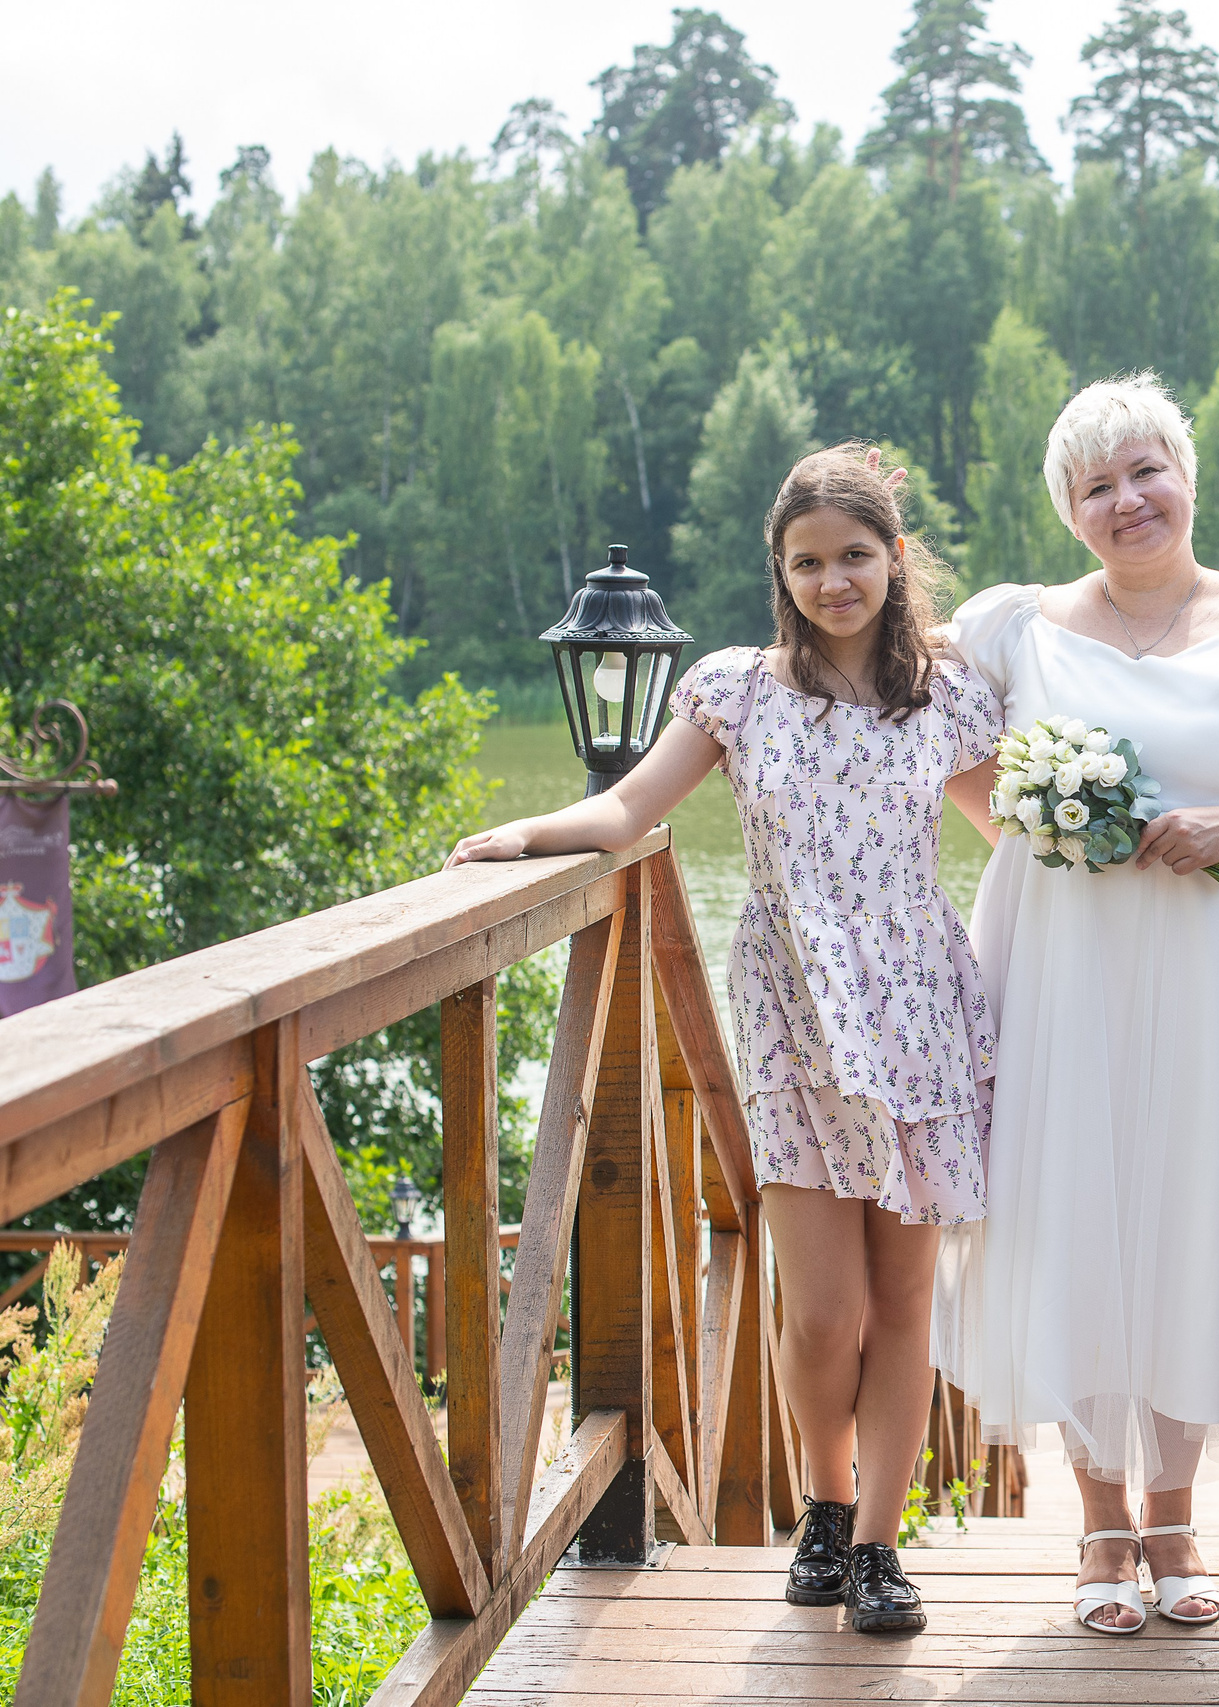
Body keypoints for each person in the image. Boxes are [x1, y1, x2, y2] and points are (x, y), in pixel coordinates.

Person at [447, 446, 998, 1632]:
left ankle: (884, 1551)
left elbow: (1022, 834)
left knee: (904, 1303)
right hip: (794, 1015)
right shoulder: (737, 689)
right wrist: (524, 836)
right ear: (781, 573)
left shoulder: (945, 697)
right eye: (807, 563)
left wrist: (1129, 845)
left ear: (894, 559)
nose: (833, 581)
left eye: (854, 556)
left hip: (918, 1013)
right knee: (821, 1312)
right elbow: (628, 808)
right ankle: (825, 1506)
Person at [932, 373, 1219, 1634]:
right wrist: (1042, 836)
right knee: (1068, 1213)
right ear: (1069, 511)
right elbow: (954, 753)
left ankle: (1174, 1515)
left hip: (1212, 961)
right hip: (1060, 963)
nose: (1126, 501)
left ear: (1185, 475)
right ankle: (1100, 1525)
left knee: (1190, 1211)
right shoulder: (1012, 627)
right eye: (1095, 486)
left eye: (1144, 472)